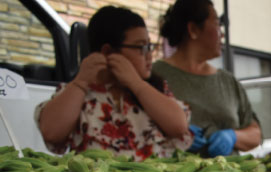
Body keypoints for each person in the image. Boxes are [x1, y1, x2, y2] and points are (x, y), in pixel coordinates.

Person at [35, 6, 192, 160]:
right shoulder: (80, 92)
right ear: (108, 51)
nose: (149, 55)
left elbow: (179, 127)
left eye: (150, 46)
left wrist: (135, 83)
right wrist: (80, 82)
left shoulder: (152, 88)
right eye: (141, 47)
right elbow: (51, 132)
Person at [154, 0, 262, 156]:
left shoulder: (228, 82)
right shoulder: (155, 75)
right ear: (193, 30)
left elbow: (256, 134)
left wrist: (233, 136)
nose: (222, 33)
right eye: (217, 24)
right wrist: (173, 134)